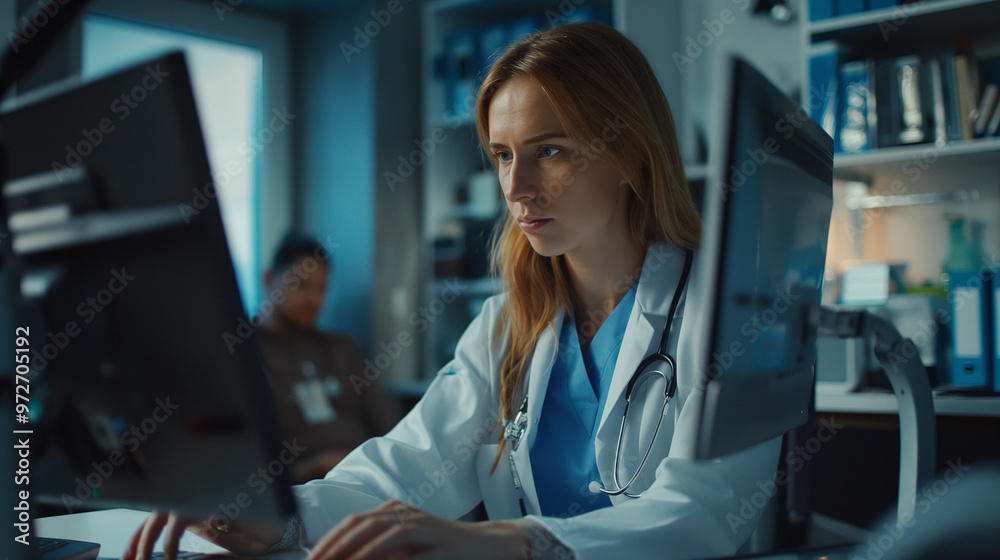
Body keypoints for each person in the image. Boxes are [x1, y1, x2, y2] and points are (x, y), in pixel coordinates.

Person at [126, 22, 782, 560]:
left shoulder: (722, 317)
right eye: (502, 154)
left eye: (549, 151)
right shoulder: (507, 326)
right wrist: (278, 516)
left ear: (632, 151)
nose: (516, 187)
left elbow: (706, 509)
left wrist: (523, 544)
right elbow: (405, 468)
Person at [255, 232, 401, 483]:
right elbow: (251, 478)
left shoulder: (342, 348)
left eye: (321, 289)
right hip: (304, 491)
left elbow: (392, 430)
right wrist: (316, 467)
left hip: (367, 480)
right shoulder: (246, 356)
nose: (314, 299)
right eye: (301, 285)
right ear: (269, 280)